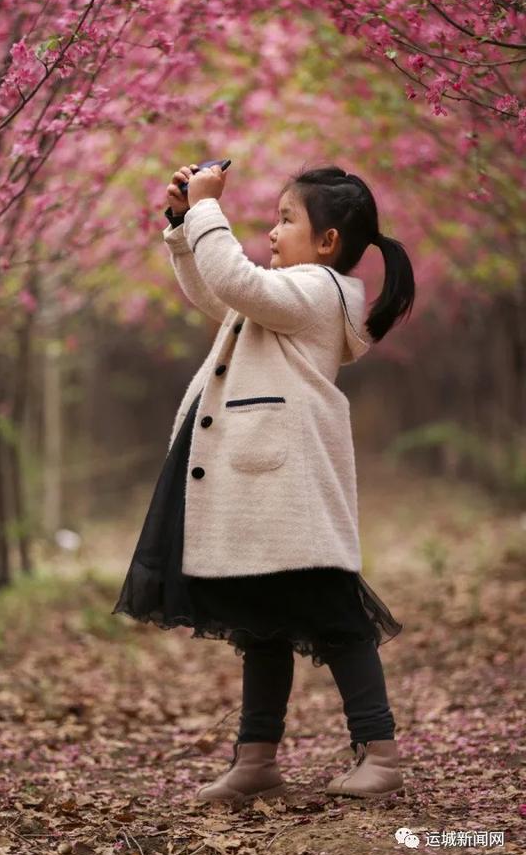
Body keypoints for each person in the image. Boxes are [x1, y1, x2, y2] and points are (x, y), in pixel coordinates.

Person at [111, 161, 415, 803]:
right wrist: (180, 226)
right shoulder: (281, 297)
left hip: (289, 496)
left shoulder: (319, 293)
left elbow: (235, 279)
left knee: (337, 620)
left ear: (328, 243)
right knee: (262, 628)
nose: (271, 232)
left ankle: (379, 752)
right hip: (260, 493)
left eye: (285, 220)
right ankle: (257, 760)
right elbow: (216, 292)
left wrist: (206, 210)